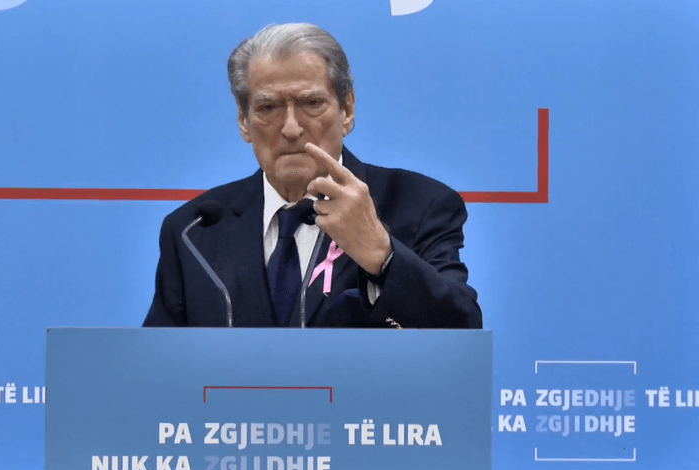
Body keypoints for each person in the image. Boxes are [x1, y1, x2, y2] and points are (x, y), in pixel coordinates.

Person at [143, 23, 481, 329]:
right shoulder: (193, 230)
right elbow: (156, 364)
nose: (291, 129)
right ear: (244, 121)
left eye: (311, 103)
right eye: (268, 108)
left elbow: (462, 333)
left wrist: (382, 256)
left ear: (347, 109)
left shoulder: (418, 205)